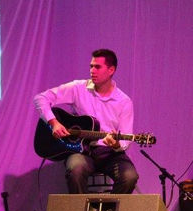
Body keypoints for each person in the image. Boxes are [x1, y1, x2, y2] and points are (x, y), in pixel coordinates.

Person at [34, 48, 139, 194]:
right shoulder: (78, 88)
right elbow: (41, 98)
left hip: (111, 154)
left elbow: (125, 139)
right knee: (76, 169)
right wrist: (54, 122)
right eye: (91, 66)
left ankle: (108, 208)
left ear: (111, 70)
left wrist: (116, 144)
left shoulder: (124, 101)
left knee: (129, 177)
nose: (92, 71)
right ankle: (80, 209)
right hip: (81, 151)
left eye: (97, 67)